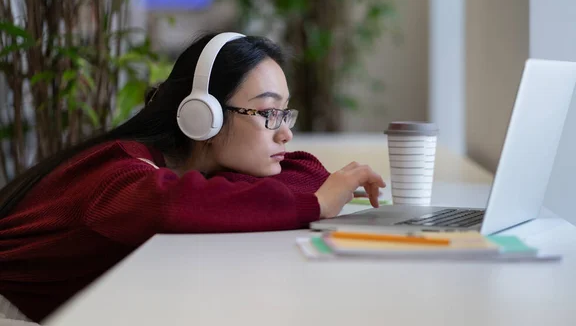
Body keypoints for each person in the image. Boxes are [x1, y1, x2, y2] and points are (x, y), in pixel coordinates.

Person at [0, 32, 385, 322]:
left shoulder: (191, 171)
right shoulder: (117, 174)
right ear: (204, 115)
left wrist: (314, 194)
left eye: (286, 114)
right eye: (268, 113)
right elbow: (169, 207)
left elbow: (305, 171)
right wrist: (315, 203)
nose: (284, 133)